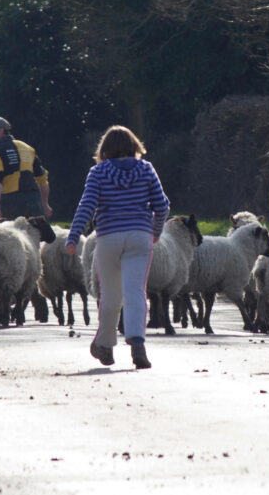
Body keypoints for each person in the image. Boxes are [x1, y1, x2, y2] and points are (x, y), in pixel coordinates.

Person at [66, 125, 169, 369]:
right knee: (135, 291)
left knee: (110, 293)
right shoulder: (146, 169)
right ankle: (137, 344)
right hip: (139, 236)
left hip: (109, 237)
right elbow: (162, 205)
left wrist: (73, 236)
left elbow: (87, 206)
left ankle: (106, 345)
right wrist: (155, 231)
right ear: (134, 145)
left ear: (105, 149)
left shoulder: (98, 172)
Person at [0, 116, 53, 220]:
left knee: (10, 235)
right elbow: (42, 178)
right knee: (43, 236)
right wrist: (44, 204)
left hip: (10, 202)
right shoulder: (27, 148)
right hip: (34, 201)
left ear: (1, 130)